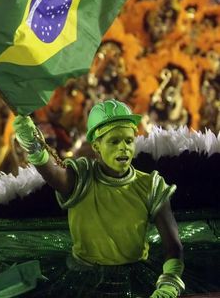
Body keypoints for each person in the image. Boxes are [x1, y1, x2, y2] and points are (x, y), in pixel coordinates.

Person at [13, 99, 184, 298]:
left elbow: (174, 246)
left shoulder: (151, 186)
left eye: (129, 140)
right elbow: (55, 176)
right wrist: (33, 147)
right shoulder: (82, 176)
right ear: (96, 146)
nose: (124, 148)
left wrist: (169, 284)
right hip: (83, 277)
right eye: (114, 141)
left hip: (136, 276)